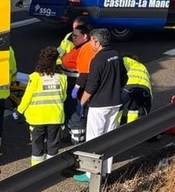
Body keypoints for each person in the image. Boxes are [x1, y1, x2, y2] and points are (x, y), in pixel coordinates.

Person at [74, 28, 126, 183]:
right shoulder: (116, 55)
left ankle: (91, 174)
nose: (90, 44)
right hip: (115, 103)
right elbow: (124, 77)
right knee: (109, 138)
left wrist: (81, 102)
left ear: (97, 42)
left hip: (99, 106)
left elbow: (91, 86)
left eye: (91, 41)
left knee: (94, 139)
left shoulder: (97, 60)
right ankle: (105, 172)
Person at [14, 46, 65, 164]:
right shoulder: (62, 77)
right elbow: (63, 96)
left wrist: (19, 111)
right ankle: (51, 169)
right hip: (55, 117)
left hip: (37, 118)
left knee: (37, 145)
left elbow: (27, 97)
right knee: (53, 145)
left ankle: (36, 171)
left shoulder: (35, 77)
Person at [61, 20, 94, 140]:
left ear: (85, 36)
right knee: (71, 111)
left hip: (77, 84)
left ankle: (77, 138)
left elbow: (84, 72)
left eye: (75, 36)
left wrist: (76, 88)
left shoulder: (86, 49)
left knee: (77, 112)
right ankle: (72, 133)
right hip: (71, 82)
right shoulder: (80, 47)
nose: (72, 38)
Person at [121, 54, 152, 123]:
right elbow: (148, 84)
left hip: (128, 88)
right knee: (133, 110)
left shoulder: (124, 60)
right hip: (144, 90)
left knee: (118, 107)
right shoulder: (142, 67)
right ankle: (131, 128)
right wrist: (148, 105)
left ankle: (115, 127)